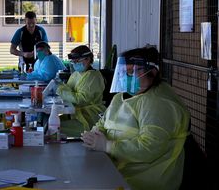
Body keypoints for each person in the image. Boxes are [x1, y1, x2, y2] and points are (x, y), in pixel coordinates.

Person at [81, 47, 190, 190]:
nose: (126, 76)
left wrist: (108, 146)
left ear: (153, 72)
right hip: (116, 171)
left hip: (144, 180)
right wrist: (94, 135)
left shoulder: (159, 103)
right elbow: (103, 122)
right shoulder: (121, 97)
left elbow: (149, 148)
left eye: (133, 71)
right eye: (124, 72)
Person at [56, 45, 106, 137]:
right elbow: (68, 88)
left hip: (88, 118)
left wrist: (60, 90)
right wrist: (60, 87)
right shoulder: (76, 74)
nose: (75, 64)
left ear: (87, 59)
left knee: (55, 127)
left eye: (77, 61)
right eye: (73, 62)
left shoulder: (93, 76)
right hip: (75, 114)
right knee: (49, 122)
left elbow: (81, 99)